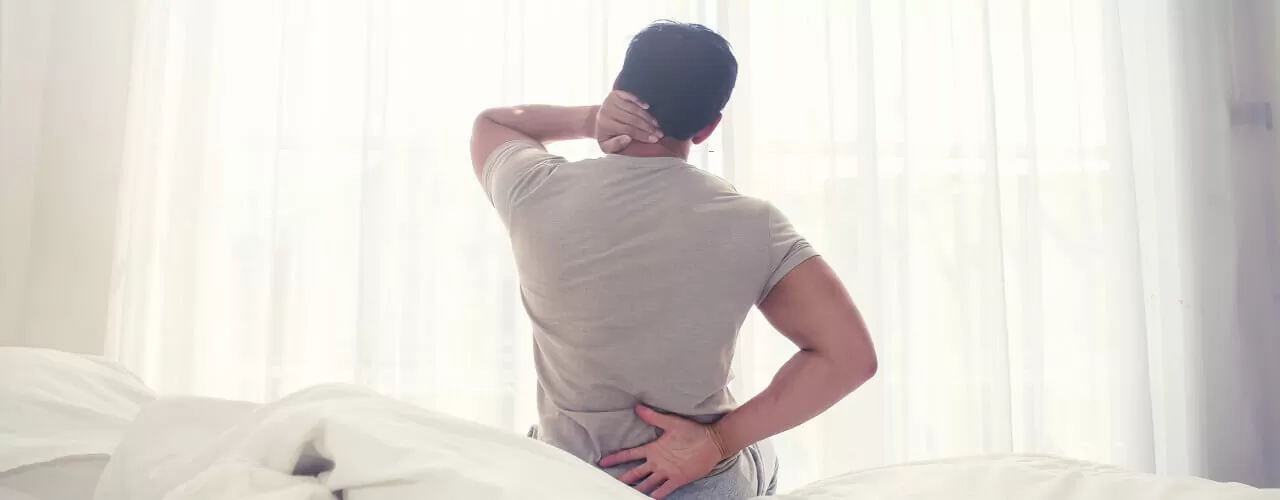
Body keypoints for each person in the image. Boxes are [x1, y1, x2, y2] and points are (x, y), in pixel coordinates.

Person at [469, 21, 877, 500]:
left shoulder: (535, 189)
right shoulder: (753, 223)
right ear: (708, 127)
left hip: (565, 477)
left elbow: (493, 124)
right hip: (692, 482)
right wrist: (717, 441)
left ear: (619, 88)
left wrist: (592, 118)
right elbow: (850, 357)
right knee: (762, 454)